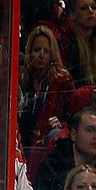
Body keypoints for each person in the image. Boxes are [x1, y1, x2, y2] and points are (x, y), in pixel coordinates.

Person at [18, 25, 75, 155]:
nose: (41, 55)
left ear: (52, 54)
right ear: (29, 52)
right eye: (37, 50)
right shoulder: (21, 79)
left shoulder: (63, 80)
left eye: (46, 51)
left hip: (47, 142)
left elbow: (73, 115)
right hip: (23, 141)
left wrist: (62, 124)